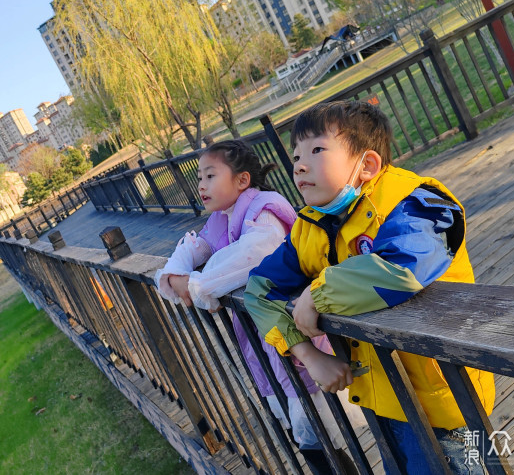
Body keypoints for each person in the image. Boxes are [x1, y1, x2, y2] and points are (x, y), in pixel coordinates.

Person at [243, 101, 496, 474]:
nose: (298, 164)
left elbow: (403, 267)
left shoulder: (415, 201)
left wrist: (317, 293)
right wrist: (309, 356)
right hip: (382, 397)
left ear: (367, 165)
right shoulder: (309, 227)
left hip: (445, 403)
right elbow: (259, 290)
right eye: (296, 154)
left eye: (317, 150)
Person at [154, 140, 357, 473]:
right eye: (199, 179)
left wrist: (195, 285)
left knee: (316, 428)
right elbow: (194, 247)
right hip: (267, 340)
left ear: (242, 180)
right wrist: (174, 274)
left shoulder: (264, 208)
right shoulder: (222, 218)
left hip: (296, 330)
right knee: (302, 431)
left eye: (209, 175)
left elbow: (254, 255)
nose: (201, 185)